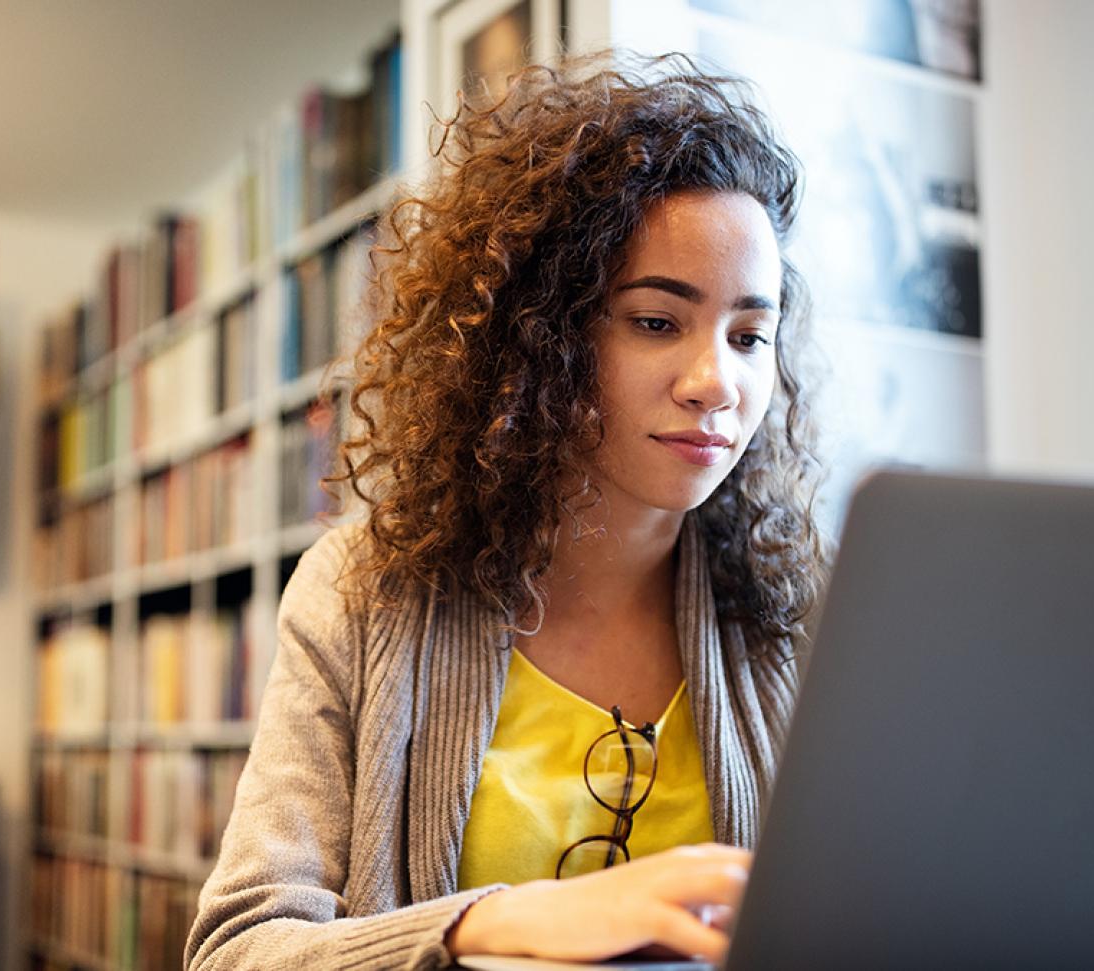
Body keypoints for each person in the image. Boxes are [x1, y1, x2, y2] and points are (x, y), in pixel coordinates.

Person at [187, 53, 827, 970]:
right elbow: (237, 947)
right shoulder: (363, 590)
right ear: (541, 335)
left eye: (748, 336)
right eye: (656, 320)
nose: (716, 384)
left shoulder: (802, 608)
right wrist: (491, 923)